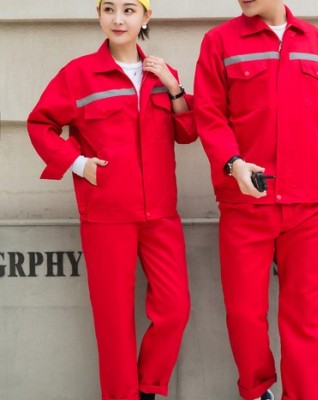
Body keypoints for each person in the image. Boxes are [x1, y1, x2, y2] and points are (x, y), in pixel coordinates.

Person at [27, 1, 197, 399]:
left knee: (175, 309)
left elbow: (187, 133)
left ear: (145, 17)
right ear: (99, 15)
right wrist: (79, 163)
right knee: (114, 323)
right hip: (106, 214)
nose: (118, 19)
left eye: (129, 10)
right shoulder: (78, 75)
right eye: (109, 9)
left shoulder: (163, 74)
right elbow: (40, 125)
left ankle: (148, 387)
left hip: (161, 215)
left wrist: (174, 88)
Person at [194, 1, 318, 399]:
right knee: (244, 312)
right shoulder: (219, 41)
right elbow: (209, 113)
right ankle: (257, 390)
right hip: (246, 201)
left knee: (305, 316)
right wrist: (232, 163)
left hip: (307, 204)